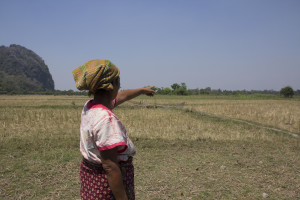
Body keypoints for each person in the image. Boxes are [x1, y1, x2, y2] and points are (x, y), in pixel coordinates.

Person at [72, 59, 155, 200]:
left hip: (91, 180)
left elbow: (122, 96)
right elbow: (110, 166)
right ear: (112, 85)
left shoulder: (90, 106)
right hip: (106, 186)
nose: (120, 85)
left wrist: (142, 90)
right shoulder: (106, 119)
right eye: (118, 80)